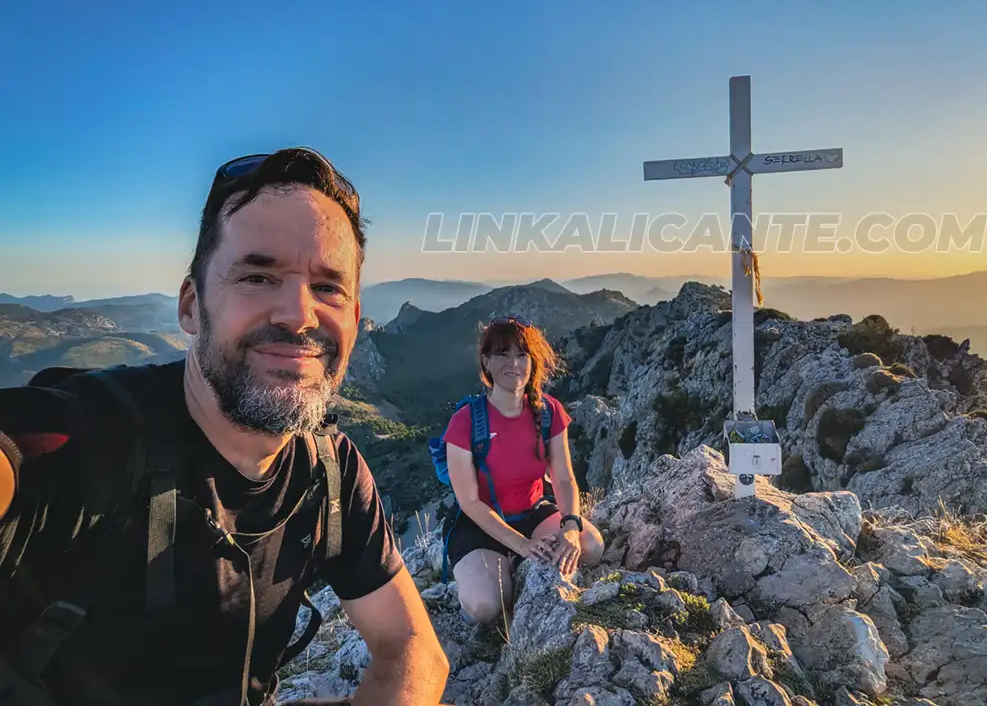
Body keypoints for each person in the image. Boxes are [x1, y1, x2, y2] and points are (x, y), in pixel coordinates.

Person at [0, 148, 449, 705]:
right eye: (258, 276)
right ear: (191, 305)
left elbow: (410, 643)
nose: (299, 314)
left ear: (356, 320)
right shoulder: (88, 437)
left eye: (329, 287)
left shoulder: (330, 474)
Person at [441, 315, 605, 625]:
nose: (513, 363)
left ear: (532, 362)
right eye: (502, 354)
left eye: (521, 354)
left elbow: (564, 478)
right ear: (487, 362)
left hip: (532, 513)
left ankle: (513, 562)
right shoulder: (464, 422)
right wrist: (522, 545)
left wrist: (570, 526)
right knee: (486, 606)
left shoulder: (548, 411)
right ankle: (480, 570)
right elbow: (470, 503)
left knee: (591, 546)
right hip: (480, 524)